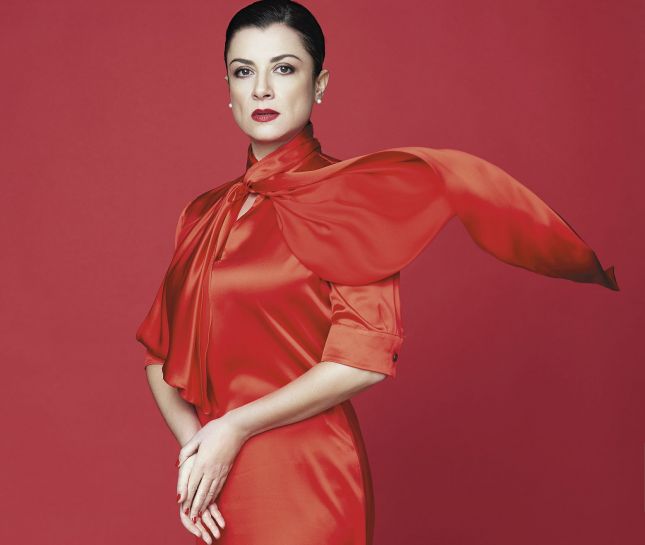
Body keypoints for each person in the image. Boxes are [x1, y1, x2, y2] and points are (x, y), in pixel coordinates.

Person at [135, 1, 618, 544]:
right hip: (219, 475)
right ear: (228, 88)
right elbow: (159, 354)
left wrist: (236, 426)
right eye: (244, 71)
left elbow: (361, 360)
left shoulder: (351, 199)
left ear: (320, 84)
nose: (262, 89)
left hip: (307, 478)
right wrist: (197, 448)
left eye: (284, 68)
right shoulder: (201, 213)